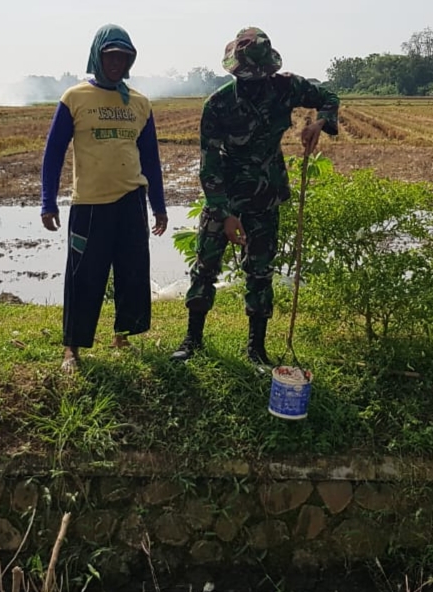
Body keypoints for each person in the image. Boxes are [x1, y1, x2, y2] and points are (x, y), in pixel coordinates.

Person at [171, 27, 339, 365]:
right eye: (244, 75)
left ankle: (256, 349)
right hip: (226, 195)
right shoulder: (218, 104)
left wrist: (318, 123)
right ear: (233, 71)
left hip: (266, 192)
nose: (251, 81)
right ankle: (193, 340)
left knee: (260, 270)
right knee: (205, 265)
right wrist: (223, 213)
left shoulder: (285, 87)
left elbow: (328, 97)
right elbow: (210, 163)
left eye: (257, 75)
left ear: (269, 70)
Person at [41, 23, 168, 374]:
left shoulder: (140, 103)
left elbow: (151, 159)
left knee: (131, 271)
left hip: (131, 201)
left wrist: (158, 206)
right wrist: (47, 201)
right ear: (97, 56)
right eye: (110, 56)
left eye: (123, 57)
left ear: (130, 61)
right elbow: (53, 154)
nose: (116, 63)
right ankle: (72, 347)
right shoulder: (75, 98)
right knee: (84, 275)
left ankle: (123, 334)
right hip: (90, 204)